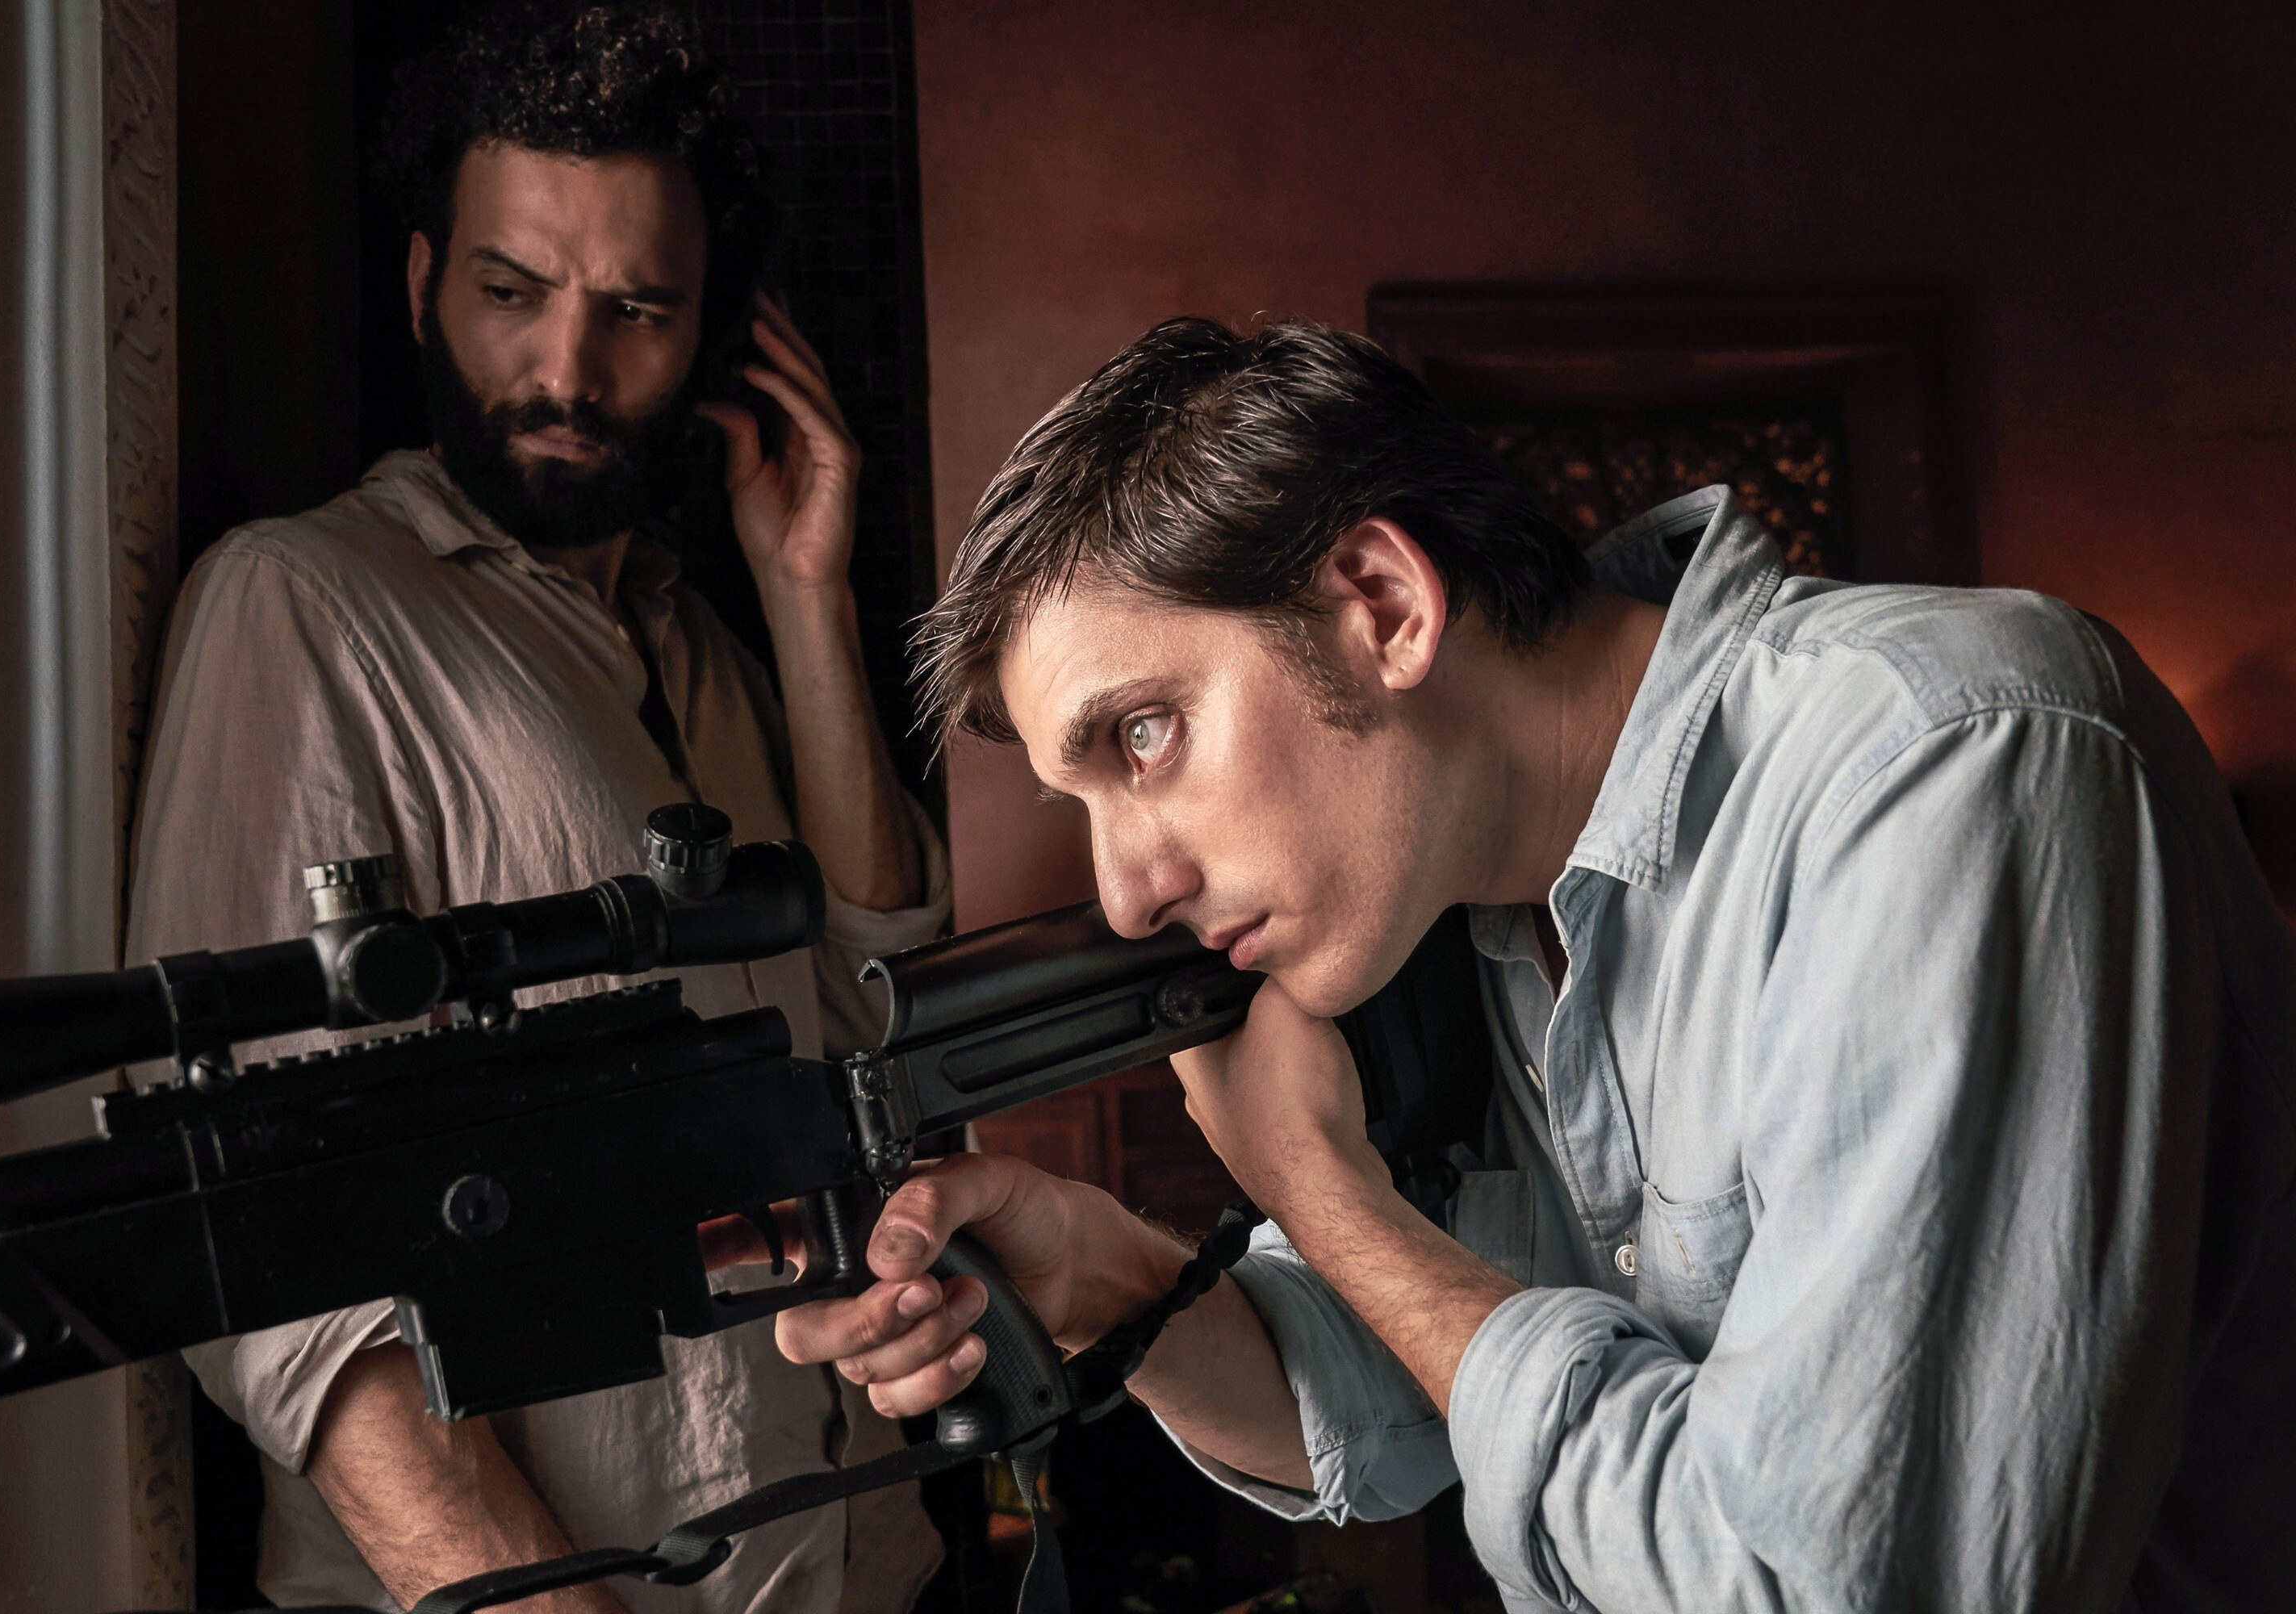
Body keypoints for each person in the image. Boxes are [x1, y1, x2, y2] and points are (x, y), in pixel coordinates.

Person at [775, 317, 2296, 1611]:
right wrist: (1112, 1279)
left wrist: (1323, 1195)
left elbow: (1830, 1585)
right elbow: (1413, 1393)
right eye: (1082, 796)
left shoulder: (1951, 766)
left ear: (1381, 603)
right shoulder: (1472, 912)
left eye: (1145, 735)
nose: (1126, 892)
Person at [124, 5, 948, 1610]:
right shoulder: (304, 605)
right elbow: (272, 1245)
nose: (568, 368)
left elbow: (884, 1012)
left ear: (708, 335)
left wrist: (805, 600)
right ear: (428, 283)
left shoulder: (697, 649)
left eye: (639, 311)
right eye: (511, 293)